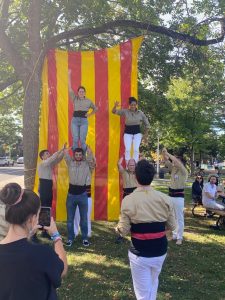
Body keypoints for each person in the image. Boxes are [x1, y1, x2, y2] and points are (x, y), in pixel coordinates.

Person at [116, 160, 176, 300]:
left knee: (143, 293)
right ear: (153, 177)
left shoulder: (128, 200)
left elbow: (123, 230)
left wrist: (118, 228)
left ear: (136, 177)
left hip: (140, 252)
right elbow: (172, 226)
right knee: (153, 283)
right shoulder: (165, 199)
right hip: (160, 249)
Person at [0, 183, 67, 300]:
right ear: (32, 218)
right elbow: (62, 270)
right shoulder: (42, 254)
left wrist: (28, 235)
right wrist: (56, 237)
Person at [64, 146, 96, 247]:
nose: (78, 156)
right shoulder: (70, 163)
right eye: (76, 155)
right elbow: (66, 157)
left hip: (83, 195)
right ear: (74, 155)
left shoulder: (87, 165)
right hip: (71, 195)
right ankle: (70, 238)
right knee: (70, 219)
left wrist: (89, 153)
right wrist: (65, 151)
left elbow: (91, 161)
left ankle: (85, 239)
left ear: (82, 156)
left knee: (84, 219)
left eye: (80, 155)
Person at [38, 143, 66, 238]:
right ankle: (42, 230)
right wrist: (60, 150)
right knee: (44, 208)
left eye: (48, 153)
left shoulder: (49, 164)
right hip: (44, 187)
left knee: (48, 208)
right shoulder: (43, 164)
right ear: (42, 157)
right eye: (46, 154)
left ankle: (44, 230)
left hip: (48, 186)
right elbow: (53, 158)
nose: (48, 155)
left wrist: (63, 152)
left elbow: (57, 159)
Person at [162, 148, 188, 246]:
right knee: (171, 216)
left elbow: (175, 160)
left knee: (179, 218)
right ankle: (174, 234)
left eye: (176, 161)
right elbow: (166, 160)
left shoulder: (184, 171)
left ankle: (180, 237)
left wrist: (168, 153)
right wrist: (164, 152)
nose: (174, 162)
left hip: (178, 197)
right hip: (171, 195)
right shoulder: (173, 169)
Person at [112, 97, 150, 164]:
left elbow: (147, 123)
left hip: (137, 133)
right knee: (127, 149)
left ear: (136, 105)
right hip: (127, 132)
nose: (133, 106)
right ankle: (128, 165)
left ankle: (135, 165)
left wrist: (146, 134)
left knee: (136, 149)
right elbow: (113, 111)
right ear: (129, 105)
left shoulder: (140, 113)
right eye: (132, 105)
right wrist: (115, 106)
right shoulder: (125, 111)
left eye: (134, 105)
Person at [68, 70, 98, 152]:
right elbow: (70, 88)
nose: (81, 92)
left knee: (82, 140)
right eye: (80, 91)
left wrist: (89, 115)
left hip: (84, 121)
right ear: (77, 93)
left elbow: (96, 108)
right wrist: (69, 75)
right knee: (75, 139)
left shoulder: (88, 101)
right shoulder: (74, 99)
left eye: (82, 91)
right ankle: (75, 157)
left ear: (85, 93)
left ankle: (84, 157)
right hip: (75, 120)